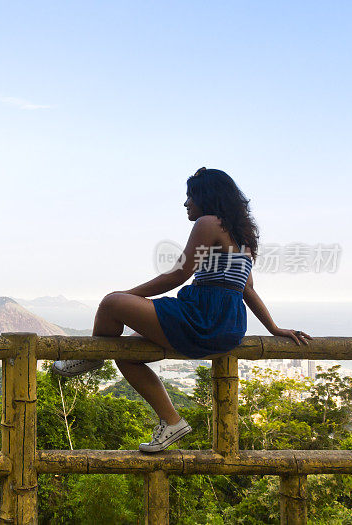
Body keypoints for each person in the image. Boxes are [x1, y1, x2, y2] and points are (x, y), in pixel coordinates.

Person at [52, 167, 313, 452]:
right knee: (125, 354)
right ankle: (171, 420)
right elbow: (247, 288)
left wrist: (124, 295)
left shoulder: (208, 223)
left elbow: (178, 275)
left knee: (110, 303)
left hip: (202, 318)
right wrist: (274, 328)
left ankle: (93, 357)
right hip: (228, 328)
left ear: (207, 197)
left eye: (190, 196)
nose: (186, 203)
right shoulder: (245, 238)